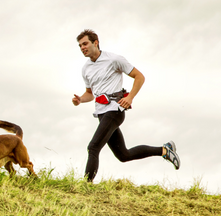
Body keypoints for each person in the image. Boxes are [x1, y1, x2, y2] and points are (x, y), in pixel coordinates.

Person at [71, 29, 180, 183]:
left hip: (114, 110)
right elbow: (90, 93)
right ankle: (164, 150)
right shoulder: (86, 68)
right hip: (101, 113)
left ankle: (86, 185)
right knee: (124, 155)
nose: (82, 47)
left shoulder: (114, 59)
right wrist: (80, 100)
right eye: (80, 45)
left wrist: (130, 97)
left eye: (85, 43)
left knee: (93, 147)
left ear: (96, 43)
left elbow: (139, 76)